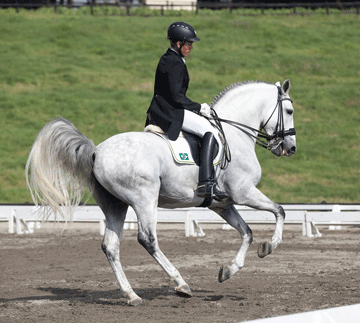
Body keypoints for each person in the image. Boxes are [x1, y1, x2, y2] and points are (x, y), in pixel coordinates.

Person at [146, 22, 228, 201]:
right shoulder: (174, 62)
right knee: (210, 131)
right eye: (188, 44)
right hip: (170, 112)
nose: (191, 47)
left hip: (163, 110)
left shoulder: (170, 59)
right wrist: (200, 108)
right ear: (178, 44)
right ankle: (207, 182)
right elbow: (177, 97)